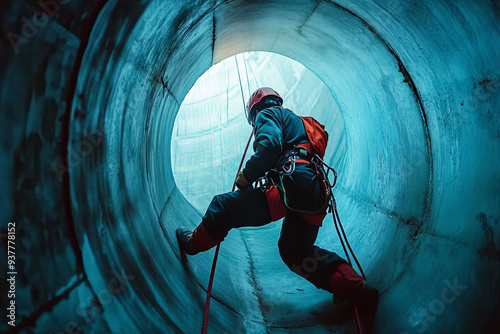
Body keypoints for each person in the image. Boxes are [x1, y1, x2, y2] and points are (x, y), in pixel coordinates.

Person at [176, 87, 378, 329]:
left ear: (254, 110)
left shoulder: (268, 113)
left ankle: (192, 243)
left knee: (223, 206)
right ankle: (354, 287)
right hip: (312, 191)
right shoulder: (298, 122)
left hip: (292, 185)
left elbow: (270, 147)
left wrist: (247, 176)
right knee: (294, 250)